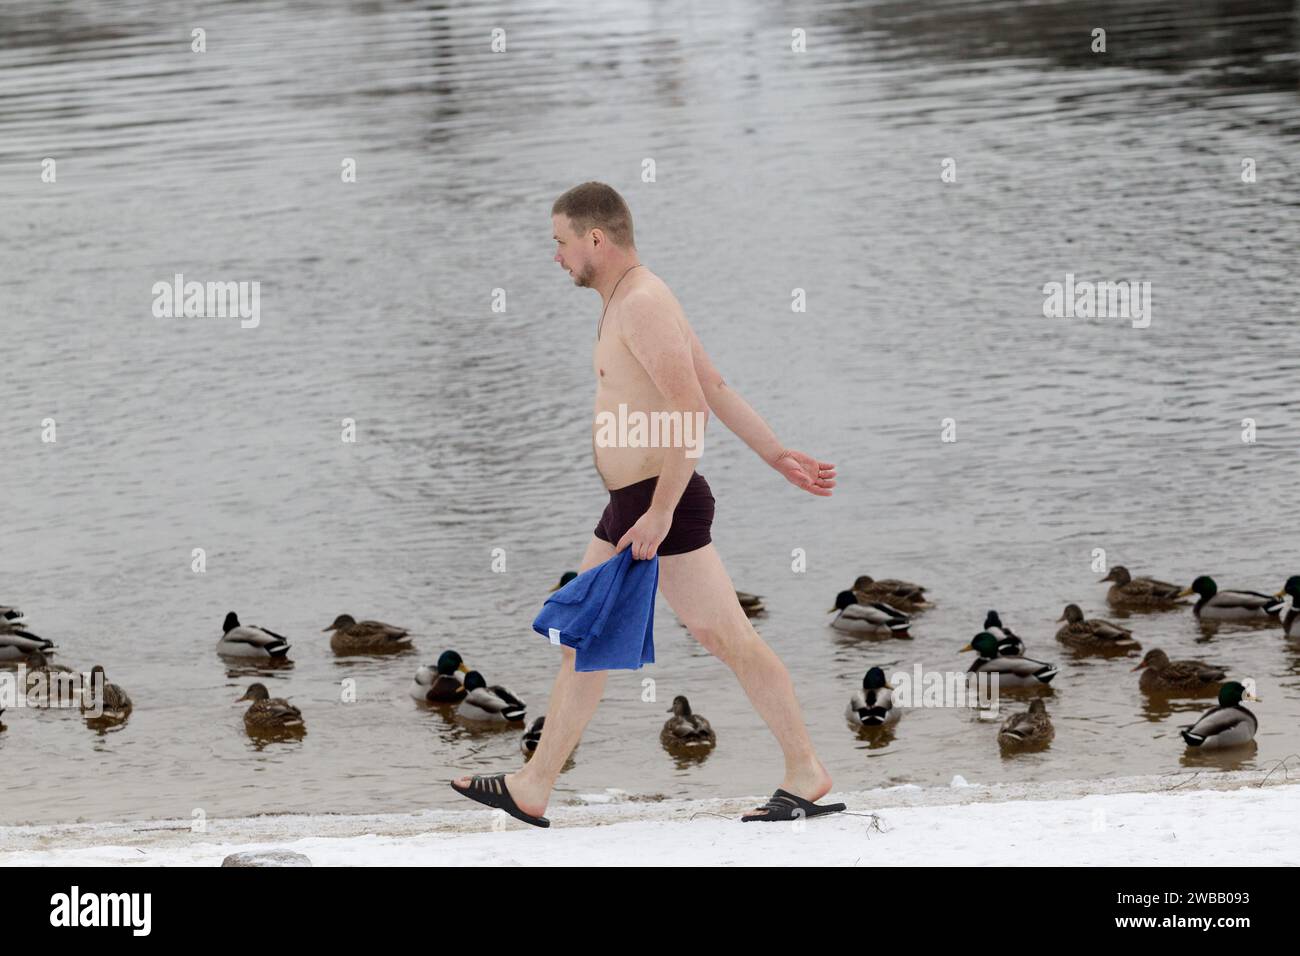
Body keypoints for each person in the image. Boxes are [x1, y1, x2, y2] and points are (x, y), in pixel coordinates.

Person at [451, 182, 841, 825]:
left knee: (728, 638)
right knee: (585, 635)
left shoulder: (643, 301)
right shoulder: (625, 299)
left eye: (561, 242)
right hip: (633, 501)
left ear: (594, 239)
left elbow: (691, 406)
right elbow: (712, 382)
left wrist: (661, 512)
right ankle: (534, 785)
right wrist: (776, 455)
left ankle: (806, 769)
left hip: (663, 502)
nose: (557, 257)